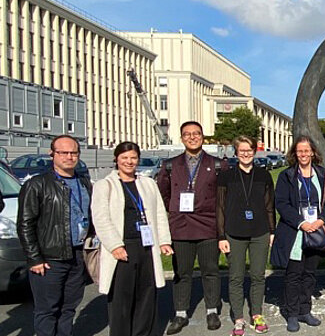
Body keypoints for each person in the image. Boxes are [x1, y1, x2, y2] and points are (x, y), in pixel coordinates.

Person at [91, 142, 173, 336]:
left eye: (133, 158)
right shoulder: (105, 185)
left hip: (146, 245)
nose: (129, 162)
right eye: (124, 158)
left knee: (147, 294)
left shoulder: (147, 183)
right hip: (122, 248)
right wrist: (114, 245)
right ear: (116, 159)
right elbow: (101, 218)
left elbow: (159, 213)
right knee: (122, 298)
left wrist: (164, 241)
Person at [17, 135, 92, 336]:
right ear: (52, 154)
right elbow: (25, 224)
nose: (69, 157)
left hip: (77, 255)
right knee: (47, 311)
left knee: (68, 308)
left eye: (73, 152)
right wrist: (34, 259)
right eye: (63, 152)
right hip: (49, 258)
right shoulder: (37, 184)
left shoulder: (84, 183)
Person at [157, 121, 228, 334]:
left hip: (208, 225)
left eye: (196, 133)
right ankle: (180, 314)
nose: (192, 137)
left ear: (203, 137)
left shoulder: (217, 164)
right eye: (187, 134)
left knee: (210, 271)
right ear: (181, 138)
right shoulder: (170, 165)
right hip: (181, 227)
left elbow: (223, 198)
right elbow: (163, 195)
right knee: (182, 272)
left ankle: (212, 310)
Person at [270, 136, 325, 332]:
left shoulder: (322, 175)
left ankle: (305, 310)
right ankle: (292, 313)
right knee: (293, 275)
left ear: (313, 152)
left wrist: (321, 220)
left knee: (309, 274)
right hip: (296, 232)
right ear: (294, 154)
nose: (303, 154)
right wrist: (301, 223)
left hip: (317, 230)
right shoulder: (287, 176)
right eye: (299, 151)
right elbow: (281, 203)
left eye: (306, 151)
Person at [217, 136, 275, 334]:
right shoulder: (226, 176)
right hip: (234, 233)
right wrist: (221, 236)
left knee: (258, 275)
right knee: (236, 277)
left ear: (254, 151)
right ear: (236, 152)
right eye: (241, 150)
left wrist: (272, 231)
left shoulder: (263, 175)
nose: (246, 153)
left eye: (249, 150)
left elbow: (269, 205)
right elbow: (220, 207)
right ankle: (238, 318)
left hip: (260, 232)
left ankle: (257, 314)